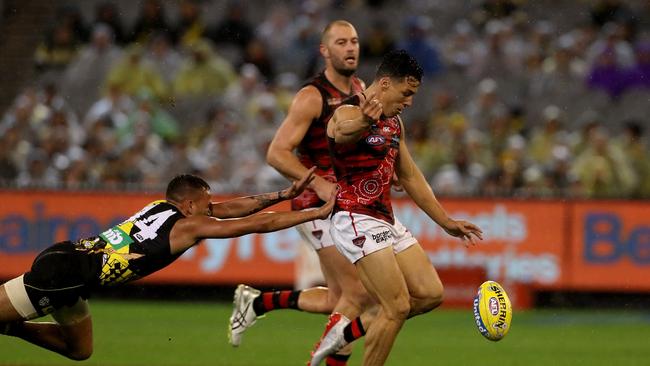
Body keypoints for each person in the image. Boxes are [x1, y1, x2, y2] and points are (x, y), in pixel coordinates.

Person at [0, 169, 334, 360]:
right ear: (189, 205)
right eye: (206, 205)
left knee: (80, 350)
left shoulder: (162, 207)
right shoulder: (188, 226)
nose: (211, 209)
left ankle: (10, 326)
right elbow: (254, 225)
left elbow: (229, 210)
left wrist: (282, 194)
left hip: (70, 262)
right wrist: (314, 213)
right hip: (63, 276)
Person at [308, 50, 483, 365]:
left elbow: (411, 177)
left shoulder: (394, 123)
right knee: (397, 307)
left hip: (385, 219)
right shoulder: (347, 111)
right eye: (407, 93)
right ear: (385, 84)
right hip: (355, 218)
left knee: (430, 294)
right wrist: (364, 118)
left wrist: (446, 222)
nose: (410, 102)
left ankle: (346, 331)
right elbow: (341, 132)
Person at [228, 20, 370, 365]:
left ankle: (256, 303)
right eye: (341, 42)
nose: (350, 48)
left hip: (348, 202)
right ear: (325, 51)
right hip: (317, 206)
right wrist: (319, 184)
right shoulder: (312, 96)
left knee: (336, 298)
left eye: (353, 41)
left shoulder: (361, 88)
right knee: (357, 294)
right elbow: (276, 152)